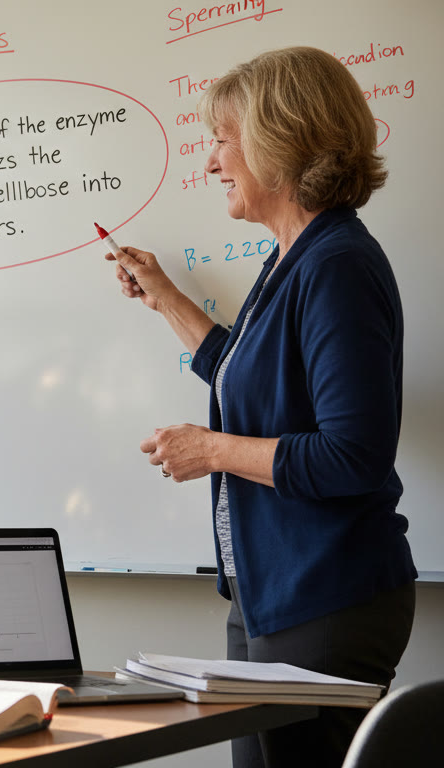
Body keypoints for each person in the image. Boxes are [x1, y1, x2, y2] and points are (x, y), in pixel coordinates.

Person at [104, 47, 416, 768]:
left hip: (324, 594)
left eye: (221, 141)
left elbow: (353, 455)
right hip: (271, 590)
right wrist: (166, 300)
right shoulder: (291, 258)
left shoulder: (335, 266)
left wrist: (208, 449)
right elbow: (245, 375)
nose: (212, 165)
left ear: (280, 140)